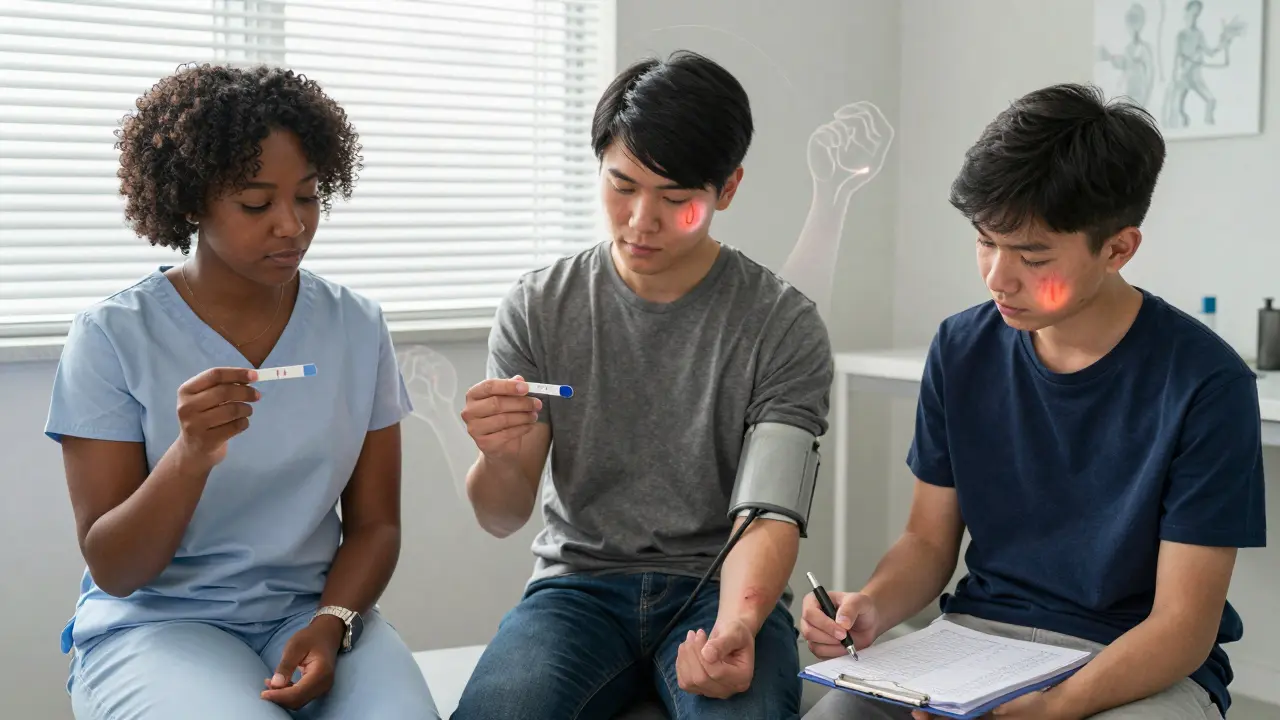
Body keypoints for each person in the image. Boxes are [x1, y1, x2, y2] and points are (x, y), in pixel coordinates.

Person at [802, 83, 1264, 720]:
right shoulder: (960, 348)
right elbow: (927, 542)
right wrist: (871, 605)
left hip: (1133, 664)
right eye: (985, 241)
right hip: (976, 645)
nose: (998, 276)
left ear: (1118, 248)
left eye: (1032, 255)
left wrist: (1055, 706)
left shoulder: (1207, 383)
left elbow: (1183, 626)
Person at [44, 64, 439, 720]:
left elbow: (376, 525)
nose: (292, 225)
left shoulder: (356, 324)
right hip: (160, 625)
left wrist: (333, 623)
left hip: (314, 612)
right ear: (191, 201)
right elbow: (115, 568)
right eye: (257, 204)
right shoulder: (112, 336)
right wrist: (188, 457)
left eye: (307, 197)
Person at [451, 50, 834, 720]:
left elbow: (769, 515)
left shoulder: (782, 324)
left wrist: (738, 625)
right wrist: (499, 456)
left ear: (728, 188)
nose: (640, 220)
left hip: (720, 587)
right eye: (622, 186)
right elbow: (501, 516)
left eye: (676, 200)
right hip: (578, 590)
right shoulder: (540, 308)